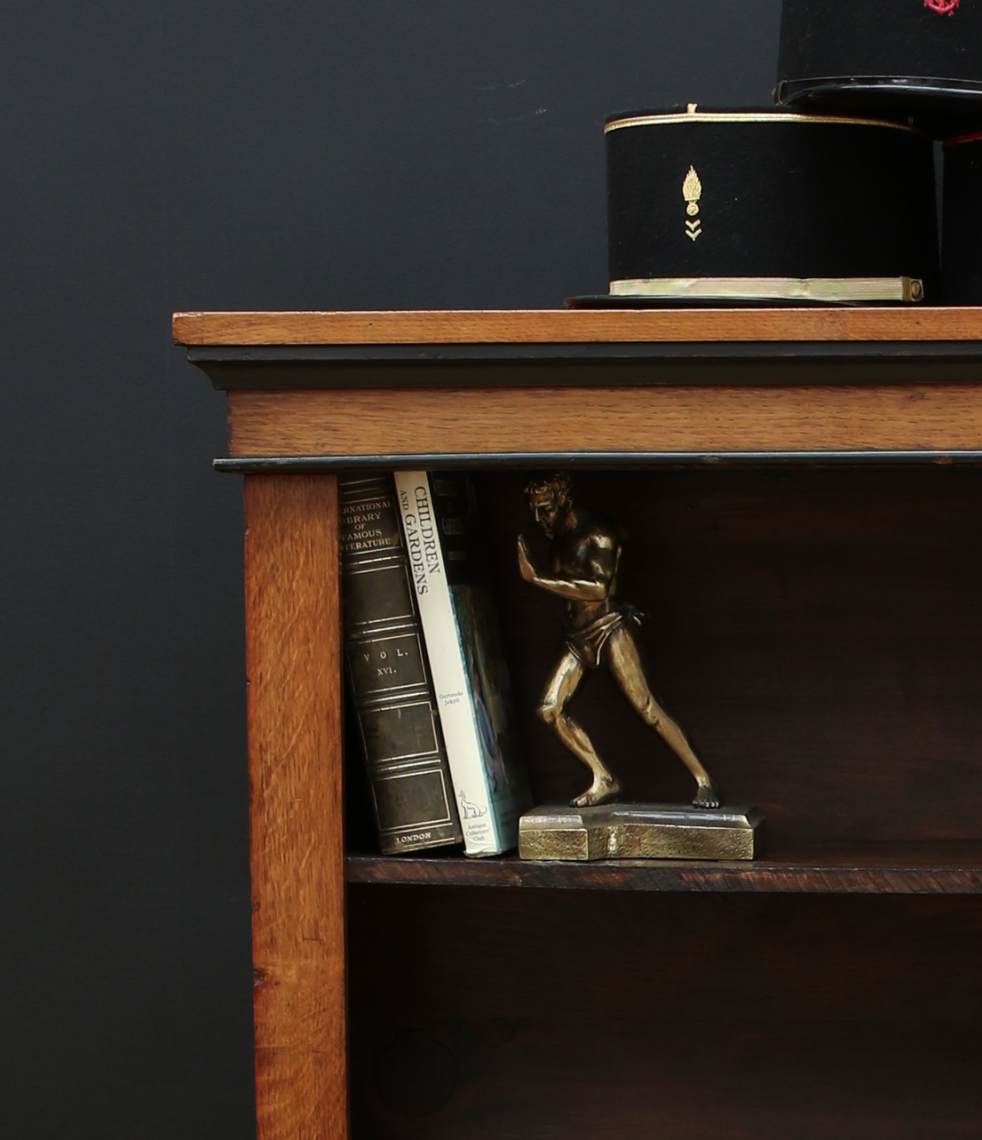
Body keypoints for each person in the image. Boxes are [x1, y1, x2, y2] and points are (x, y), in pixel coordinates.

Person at [517, 472, 720, 809]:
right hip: (576, 632)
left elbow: (597, 589)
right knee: (549, 709)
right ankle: (604, 778)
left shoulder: (598, 532)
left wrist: (537, 579)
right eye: (534, 511)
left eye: (545, 509)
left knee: (646, 706)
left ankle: (704, 780)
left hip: (609, 625)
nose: (540, 519)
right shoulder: (558, 534)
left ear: (563, 500)